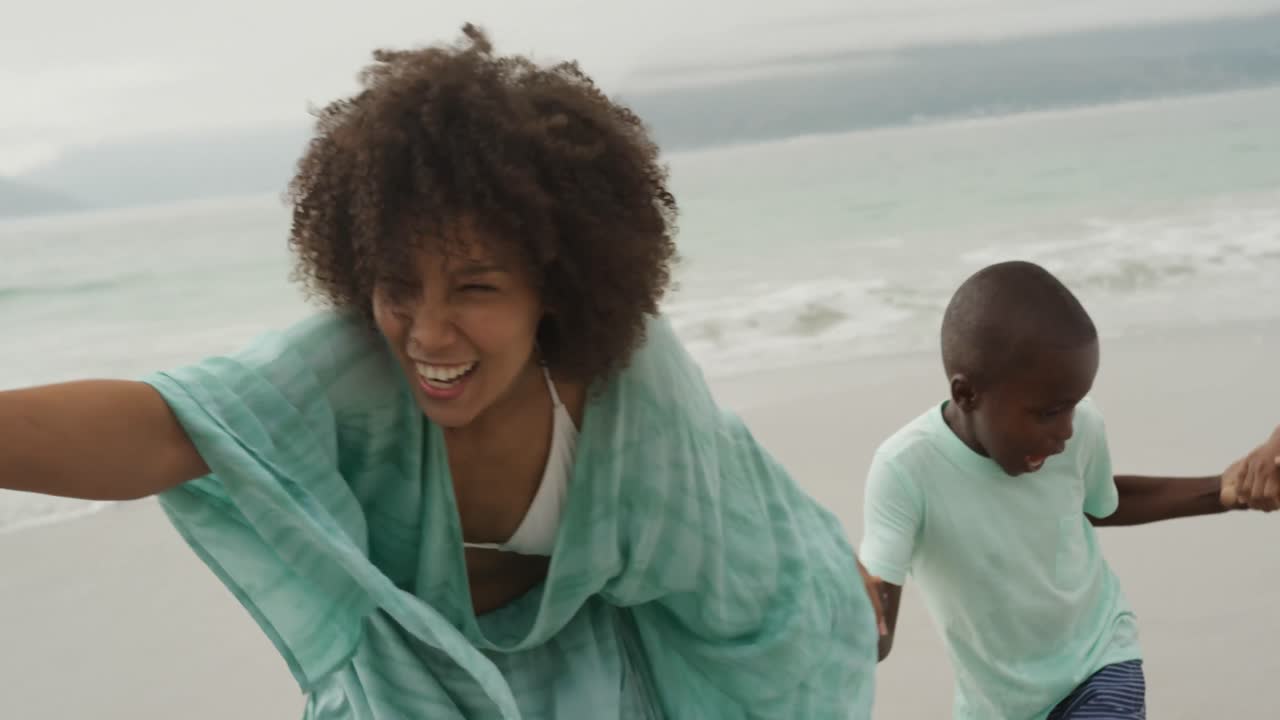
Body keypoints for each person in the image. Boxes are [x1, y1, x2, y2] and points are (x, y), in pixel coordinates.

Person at [0, 25, 879, 719]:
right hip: (413, 695)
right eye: (395, 287)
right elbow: (161, 428)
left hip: (612, 674)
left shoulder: (629, 389)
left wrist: (846, 590)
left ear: (556, 286)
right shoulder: (351, 371)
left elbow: (751, 565)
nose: (426, 332)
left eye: (476, 287)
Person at [858, 260, 1279, 720]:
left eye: (1074, 407)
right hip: (993, 707)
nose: (1066, 431)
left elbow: (1099, 503)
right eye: (1049, 413)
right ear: (966, 395)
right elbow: (875, 633)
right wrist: (841, 606)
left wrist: (1225, 490)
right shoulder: (905, 470)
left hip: (1099, 662)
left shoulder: (1080, 430)